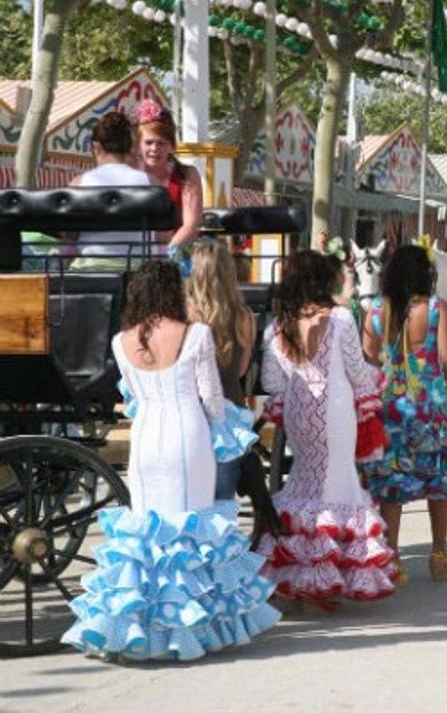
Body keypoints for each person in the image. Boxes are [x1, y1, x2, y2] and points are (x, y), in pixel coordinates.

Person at [62, 261, 278, 661]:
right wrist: (227, 428)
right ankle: (187, 631)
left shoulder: (121, 341)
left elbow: (130, 398)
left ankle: (138, 629)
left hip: (146, 439)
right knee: (190, 531)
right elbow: (212, 399)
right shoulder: (195, 334)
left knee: (146, 532)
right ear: (173, 292)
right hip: (188, 436)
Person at [256, 250, 396, 608]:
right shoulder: (340, 319)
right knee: (337, 486)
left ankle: (301, 575)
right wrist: (376, 382)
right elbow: (357, 372)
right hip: (335, 412)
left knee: (304, 484)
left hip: (298, 414)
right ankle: (325, 580)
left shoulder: (277, 325)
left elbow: (271, 383)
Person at [360, 244, 447, 584]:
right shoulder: (436, 308)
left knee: (392, 486)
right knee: (439, 482)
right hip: (430, 409)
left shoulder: (376, 310)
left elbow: (368, 356)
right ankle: (439, 556)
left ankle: (393, 558)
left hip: (390, 409)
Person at [184, 239, 262, 501]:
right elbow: (241, 370)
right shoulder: (244, 316)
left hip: (191, 413)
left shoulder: (185, 316)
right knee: (222, 501)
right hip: (230, 414)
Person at [70, 110, 151, 271]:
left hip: (91, 267)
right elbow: (163, 233)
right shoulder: (151, 183)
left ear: (96, 147)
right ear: (130, 146)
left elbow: (70, 233)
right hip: (137, 268)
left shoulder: (78, 184)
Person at [134, 99, 202, 251]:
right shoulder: (131, 175)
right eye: (148, 142)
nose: (154, 148)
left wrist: (166, 255)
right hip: (136, 253)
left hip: (176, 253)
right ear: (138, 145)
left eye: (161, 143)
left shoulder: (187, 174)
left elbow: (191, 225)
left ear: (172, 146)